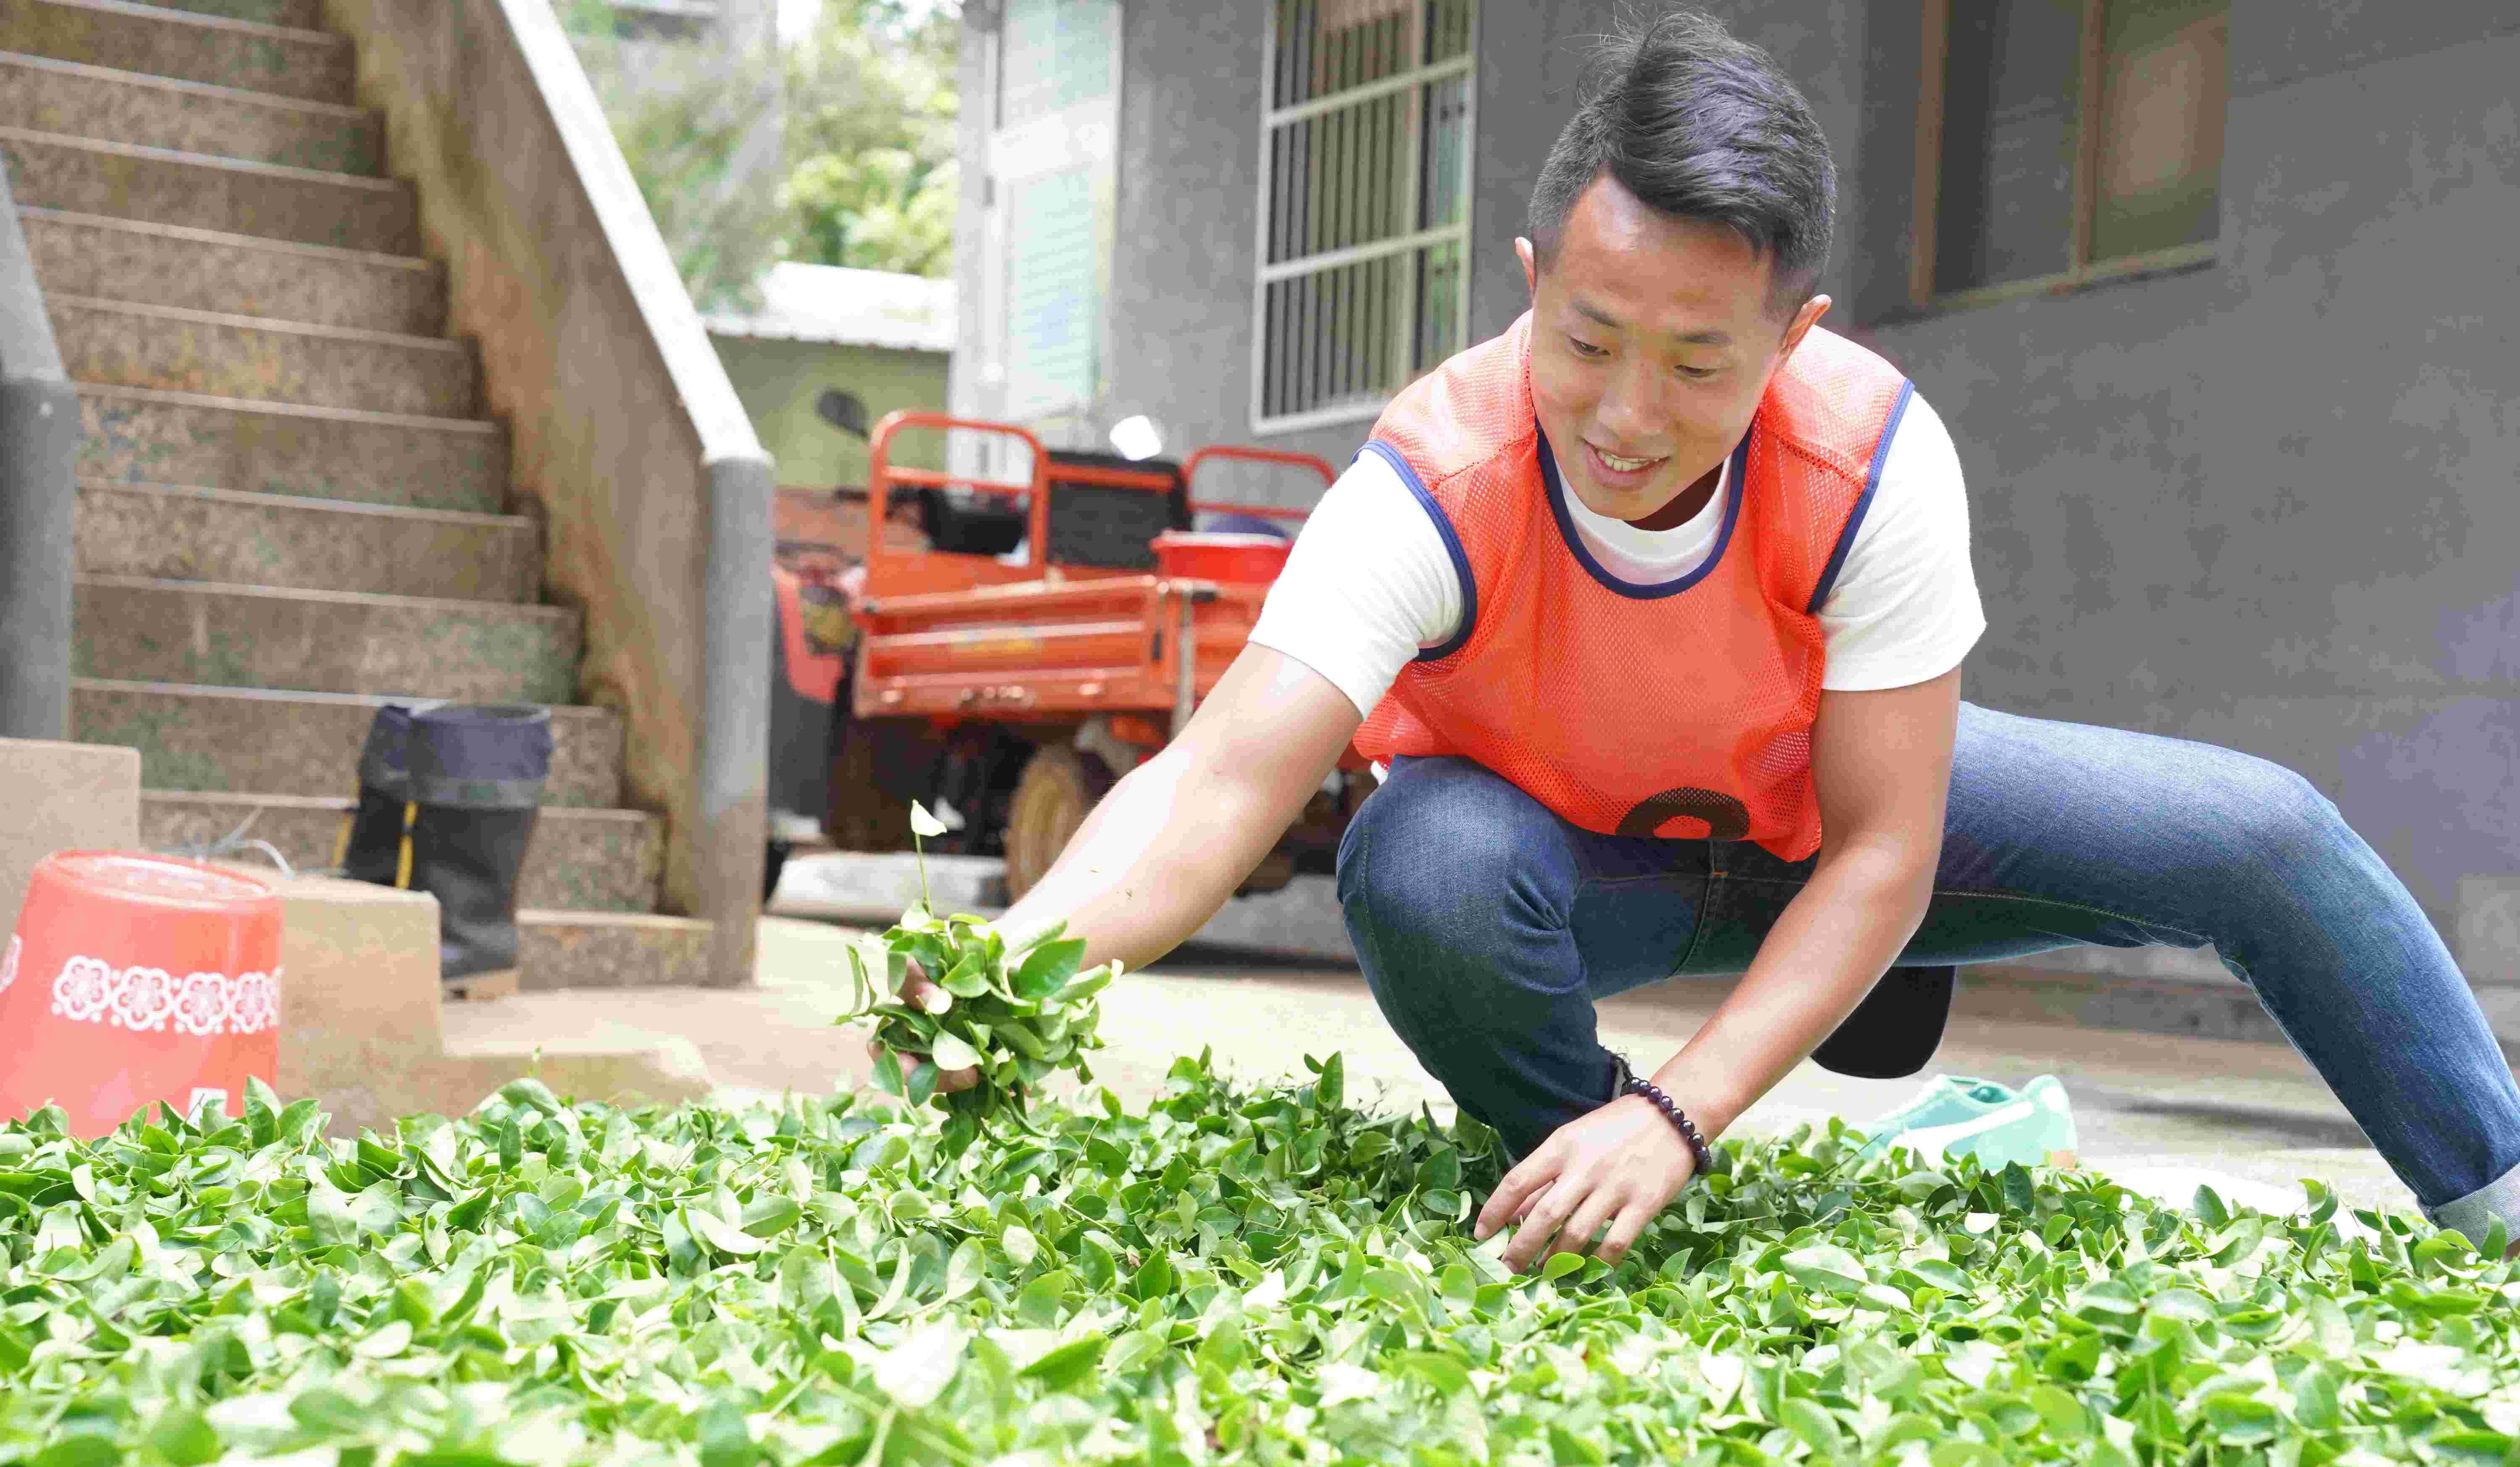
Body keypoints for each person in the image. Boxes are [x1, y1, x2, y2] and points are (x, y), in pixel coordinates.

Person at [904, 7, 2520, 1273]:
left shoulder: (1869, 455)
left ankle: (2499, 1207)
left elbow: (1892, 841)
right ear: (1532, 282)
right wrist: (1003, 972)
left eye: (1696, 364)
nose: (1626, 416)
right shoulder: (1437, 475)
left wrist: (1700, 1097)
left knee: (2265, 834)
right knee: (1420, 859)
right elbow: (1213, 783)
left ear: (1792, 335)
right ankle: (1592, 1167)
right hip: (1571, 874)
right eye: (1587, 341)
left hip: (1826, 835)